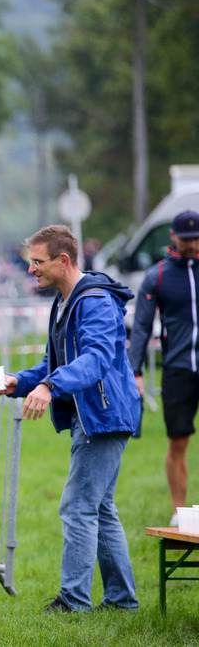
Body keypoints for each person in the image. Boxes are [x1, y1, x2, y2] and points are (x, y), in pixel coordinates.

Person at [0, 224, 140, 613]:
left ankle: (73, 601)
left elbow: (94, 360)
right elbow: (53, 362)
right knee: (99, 508)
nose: (31, 270)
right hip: (91, 414)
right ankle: (123, 601)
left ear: (63, 260)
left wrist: (50, 387)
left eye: (38, 262)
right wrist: (21, 382)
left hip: (105, 415)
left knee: (77, 506)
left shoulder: (93, 301)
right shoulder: (63, 301)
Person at [128, 209, 199, 527]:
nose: (193, 244)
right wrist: (136, 372)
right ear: (173, 237)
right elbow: (141, 327)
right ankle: (180, 513)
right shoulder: (157, 276)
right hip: (178, 369)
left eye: (197, 238)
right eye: (186, 239)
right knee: (178, 440)